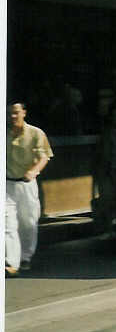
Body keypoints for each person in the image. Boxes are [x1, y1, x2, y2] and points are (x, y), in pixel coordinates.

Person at [6, 101, 53, 276]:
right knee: (7, 223)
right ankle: (11, 263)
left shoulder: (35, 133)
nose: (12, 116)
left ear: (24, 113)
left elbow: (44, 157)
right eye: (9, 113)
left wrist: (34, 171)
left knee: (28, 222)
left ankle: (25, 257)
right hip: (7, 184)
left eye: (16, 112)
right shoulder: (4, 133)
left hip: (26, 184)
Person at [92, 99, 116, 237]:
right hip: (108, 170)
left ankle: (110, 228)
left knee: (111, 201)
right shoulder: (107, 134)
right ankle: (108, 228)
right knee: (108, 201)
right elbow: (103, 154)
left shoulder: (110, 133)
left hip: (113, 169)